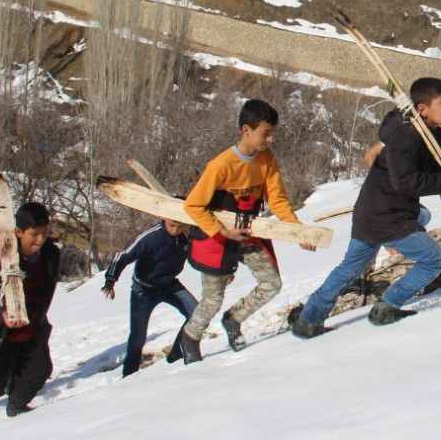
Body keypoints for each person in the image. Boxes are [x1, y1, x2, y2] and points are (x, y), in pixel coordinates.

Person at [289, 77, 441, 338]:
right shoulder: (406, 137)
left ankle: (308, 319)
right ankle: (387, 306)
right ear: (422, 109)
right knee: (434, 260)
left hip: (372, 211)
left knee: (350, 269)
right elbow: (407, 182)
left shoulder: (428, 132)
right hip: (389, 217)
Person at [178, 98, 316, 363]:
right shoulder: (220, 165)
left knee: (272, 284)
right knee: (212, 299)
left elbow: (278, 201)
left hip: (249, 232)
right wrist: (221, 232)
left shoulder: (267, 160)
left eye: (273, 133)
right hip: (218, 237)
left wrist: (298, 232)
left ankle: (234, 319)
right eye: (266, 133)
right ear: (246, 130)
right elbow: (193, 205)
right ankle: (190, 337)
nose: (271, 139)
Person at [0, 202, 61, 431]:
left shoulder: (51, 254)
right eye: (34, 234)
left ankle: (16, 406)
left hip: (32, 325)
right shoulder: (4, 257)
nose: (40, 240)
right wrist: (2, 315)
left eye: (44, 233)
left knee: (39, 370)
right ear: (19, 232)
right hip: (0, 332)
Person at [102, 219, 197, 377]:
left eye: (180, 226)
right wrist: (110, 280)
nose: (176, 230)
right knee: (138, 337)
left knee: (197, 314)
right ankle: (129, 375)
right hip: (144, 290)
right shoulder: (151, 237)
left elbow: (200, 255)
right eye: (172, 226)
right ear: (165, 219)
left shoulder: (185, 238)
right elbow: (123, 256)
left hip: (169, 285)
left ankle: (177, 353)